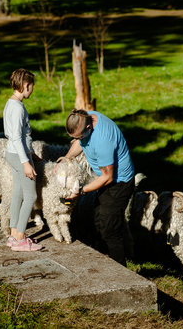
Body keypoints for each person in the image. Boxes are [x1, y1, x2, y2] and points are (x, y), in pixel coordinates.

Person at [62, 109, 135, 266]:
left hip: (119, 183)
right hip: (107, 179)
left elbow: (107, 177)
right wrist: (66, 158)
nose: (77, 140)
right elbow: (79, 143)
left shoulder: (102, 139)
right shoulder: (84, 116)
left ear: (88, 127)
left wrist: (81, 191)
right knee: (99, 218)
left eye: (79, 136)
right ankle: (108, 255)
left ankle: (121, 270)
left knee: (109, 229)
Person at [3, 68, 43, 252]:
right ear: (26, 85)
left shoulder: (10, 104)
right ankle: (20, 239)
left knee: (18, 193)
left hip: (13, 153)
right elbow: (18, 137)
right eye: (31, 86)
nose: (32, 90)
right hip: (20, 156)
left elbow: (13, 135)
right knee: (31, 196)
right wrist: (26, 162)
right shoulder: (18, 109)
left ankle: (13, 235)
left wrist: (31, 152)